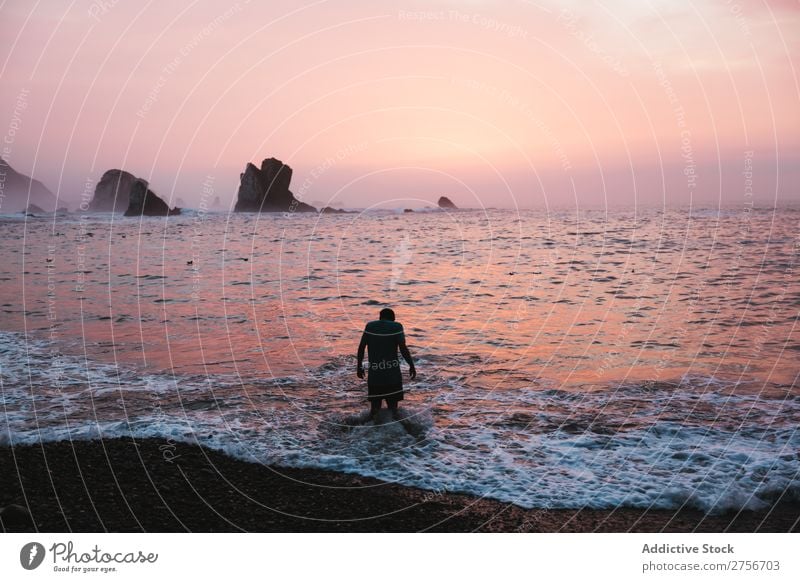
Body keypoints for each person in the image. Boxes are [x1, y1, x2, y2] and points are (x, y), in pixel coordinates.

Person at [357, 308, 416, 422]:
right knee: (393, 410)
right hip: (392, 375)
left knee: (374, 410)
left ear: (380, 317)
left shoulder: (370, 326)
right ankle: (398, 433)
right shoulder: (396, 326)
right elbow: (403, 348)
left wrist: (359, 366)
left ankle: (368, 431)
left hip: (375, 375)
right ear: (393, 318)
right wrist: (411, 365)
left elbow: (361, 347)